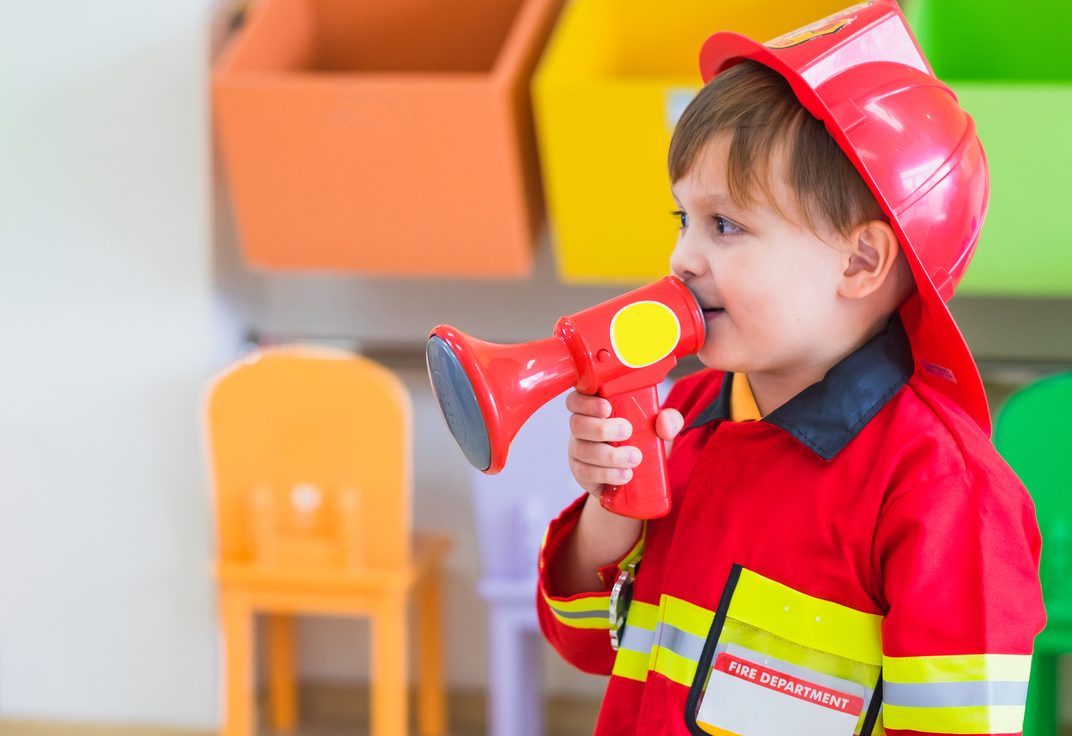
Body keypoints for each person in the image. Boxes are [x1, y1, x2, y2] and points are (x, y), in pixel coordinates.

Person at [535, 2, 1045, 735]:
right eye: (684, 220)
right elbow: (584, 644)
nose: (682, 257)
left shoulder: (943, 493)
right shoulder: (689, 412)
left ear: (862, 260)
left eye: (727, 225)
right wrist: (605, 522)